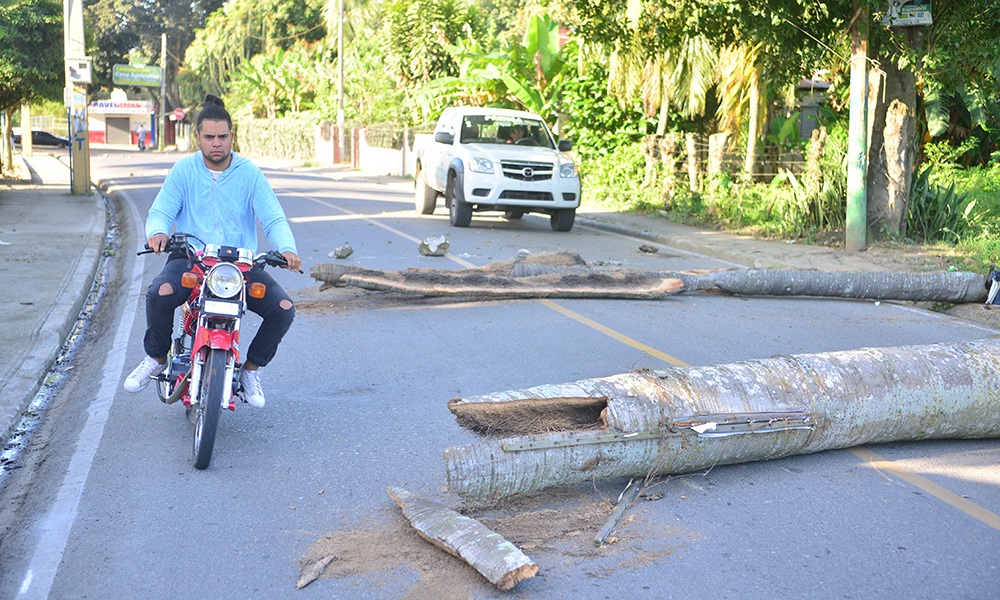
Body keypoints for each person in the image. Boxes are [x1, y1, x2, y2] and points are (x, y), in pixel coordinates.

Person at [123, 95, 302, 408]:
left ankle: (250, 370)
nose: (216, 144)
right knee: (159, 294)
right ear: (198, 138)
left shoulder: (249, 174)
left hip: (240, 264)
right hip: (192, 258)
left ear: (233, 136)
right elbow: (162, 210)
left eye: (222, 137)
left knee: (284, 308)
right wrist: (158, 233)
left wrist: (287, 249)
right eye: (209, 137)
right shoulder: (184, 170)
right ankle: (154, 356)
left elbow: (273, 217)